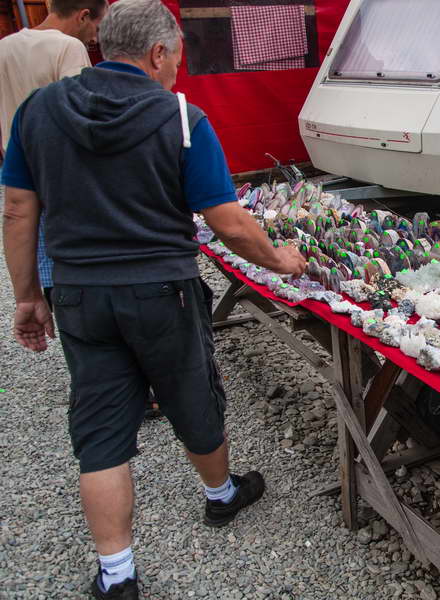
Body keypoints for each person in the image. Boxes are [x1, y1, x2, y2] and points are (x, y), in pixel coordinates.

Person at [1, 0, 307, 597]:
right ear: (157, 52)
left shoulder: (39, 109)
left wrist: (27, 296)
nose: (177, 71)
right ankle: (221, 494)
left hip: (79, 293)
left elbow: (17, 210)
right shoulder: (183, 118)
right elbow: (227, 220)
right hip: (162, 290)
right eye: (176, 59)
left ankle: (117, 574)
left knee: (100, 425)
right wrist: (280, 260)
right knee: (192, 395)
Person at [0, 0, 106, 304]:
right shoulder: (68, 47)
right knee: (76, 260)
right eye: (97, 27)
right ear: (83, 15)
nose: (95, 38)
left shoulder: (5, 46)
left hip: (18, 166)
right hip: (63, 170)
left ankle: (49, 306)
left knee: (41, 256)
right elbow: (82, 114)